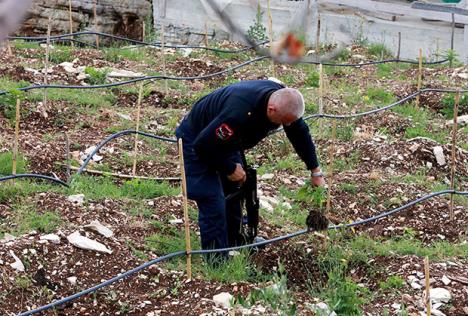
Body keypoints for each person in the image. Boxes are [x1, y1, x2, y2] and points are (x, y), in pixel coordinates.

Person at [175, 80, 325, 262]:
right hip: (196, 139)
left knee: (237, 189)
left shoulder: (284, 99)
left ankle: (236, 240)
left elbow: (299, 133)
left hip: (226, 140)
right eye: (284, 123)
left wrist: (315, 170)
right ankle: (216, 260)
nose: (286, 125)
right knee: (211, 197)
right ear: (271, 110)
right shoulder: (238, 113)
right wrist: (229, 167)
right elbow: (203, 146)